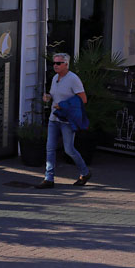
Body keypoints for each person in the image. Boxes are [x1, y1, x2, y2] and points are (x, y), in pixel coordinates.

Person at [37, 52, 90, 189]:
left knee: (69, 149)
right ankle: (49, 178)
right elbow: (55, 96)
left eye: (58, 63)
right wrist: (48, 97)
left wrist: (63, 105)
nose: (55, 65)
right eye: (54, 63)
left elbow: (83, 100)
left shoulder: (73, 79)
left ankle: (85, 172)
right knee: (50, 149)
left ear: (66, 64)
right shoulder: (55, 78)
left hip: (66, 120)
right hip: (54, 118)